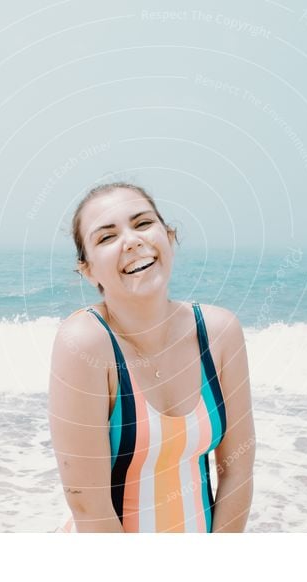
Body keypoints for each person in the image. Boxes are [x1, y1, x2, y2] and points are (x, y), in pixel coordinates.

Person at [48, 182, 255, 533]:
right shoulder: (86, 343)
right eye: (106, 237)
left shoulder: (219, 333)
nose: (131, 240)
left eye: (143, 223)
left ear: (169, 236)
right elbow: (89, 507)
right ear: (88, 270)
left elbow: (238, 469)